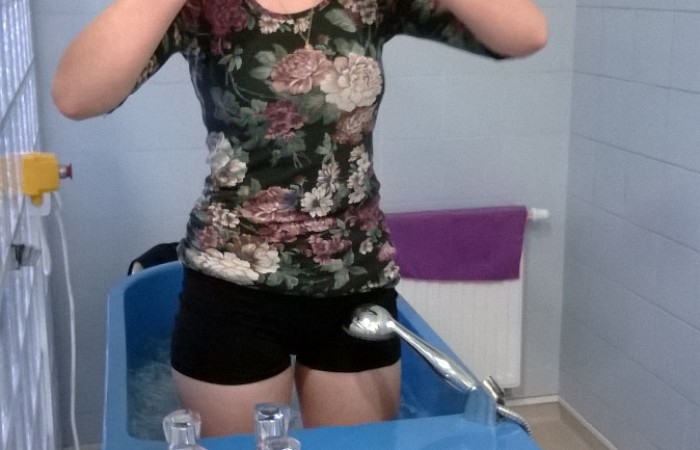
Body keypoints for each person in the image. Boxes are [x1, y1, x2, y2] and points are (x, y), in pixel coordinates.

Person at [52, 0, 547, 438]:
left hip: (353, 280)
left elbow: (525, 33)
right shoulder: (199, 8)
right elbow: (76, 96)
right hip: (232, 284)